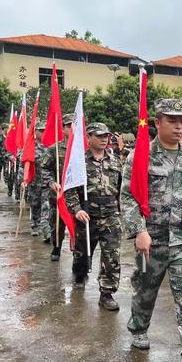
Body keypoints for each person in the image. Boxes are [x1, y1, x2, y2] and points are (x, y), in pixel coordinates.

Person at [121, 98, 182, 362]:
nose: (178, 126)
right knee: (146, 290)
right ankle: (138, 327)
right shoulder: (140, 156)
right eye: (172, 120)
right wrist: (139, 230)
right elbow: (127, 197)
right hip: (153, 238)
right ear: (157, 122)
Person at [65, 123, 123, 310]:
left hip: (111, 216)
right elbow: (70, 190)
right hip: (87, 216)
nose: (104, 138)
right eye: (99, 135)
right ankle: (80, 274)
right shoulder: (80, 161)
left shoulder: (115, 161)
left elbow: (123, 189)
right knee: (82, 254)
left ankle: (106, 293)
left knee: (111, 256)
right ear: (89, 138)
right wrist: (76, 209)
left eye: (106, 135)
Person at [41, 113, 73, 261]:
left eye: (75, 125)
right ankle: (57, 246)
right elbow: (45, 168)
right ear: (63, 128)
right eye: (68, 125)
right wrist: (51, 182)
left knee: (78, 226)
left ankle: (77, 250)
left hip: (77, 195)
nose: (72, 128)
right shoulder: (55, 149)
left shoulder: (83, 149)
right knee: (57, 225)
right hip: (59, 195)